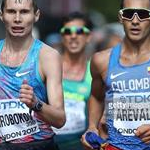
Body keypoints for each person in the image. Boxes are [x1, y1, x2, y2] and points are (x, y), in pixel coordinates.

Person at [81, 0, 150, 150]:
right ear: (120, 17)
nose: (135, 21)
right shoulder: (101, 60)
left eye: (143, 14)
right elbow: (96, 96)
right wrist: (92, 126)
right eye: (129, 14)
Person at [0, 0, 66, 150]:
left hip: (38, 144)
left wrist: (35, 103)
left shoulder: (47, 56)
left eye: (24, 12)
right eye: (11, 12)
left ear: (36, 15)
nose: (17, 19)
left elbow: (60, 119)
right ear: (2, 15)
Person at [52, 12, 92, 150]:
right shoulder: (48, 67)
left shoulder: (95, 71)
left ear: (88, 37)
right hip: (49, 145)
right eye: (67, 31)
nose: (73, 36)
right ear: (62, 36)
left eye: (80, 31)